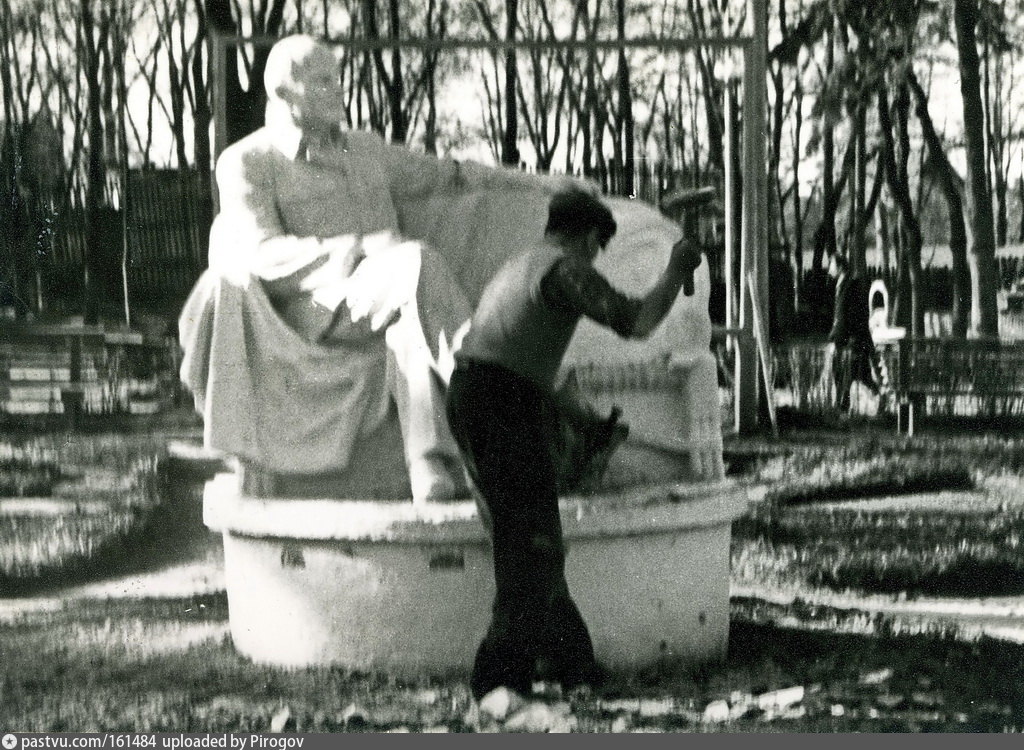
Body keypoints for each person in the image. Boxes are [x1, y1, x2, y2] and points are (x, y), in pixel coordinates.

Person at [185, 34, 585, 503]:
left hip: (390, 294)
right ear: (284, 93)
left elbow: (451, 174)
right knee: (413, 262)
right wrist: (360, 249)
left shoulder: (364, 150)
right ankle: (521, 402)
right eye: (323, 81)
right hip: (315, 308)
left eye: (337, 77)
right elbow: (263, 254)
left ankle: (427, 464)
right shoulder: (248, 162)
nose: (339, 89)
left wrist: (543, 184)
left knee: (409, 322)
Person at [446, 188, 704, 702]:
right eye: (598, 249)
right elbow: (636, 322)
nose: (595, 259)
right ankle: (498, 678)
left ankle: (573, 665)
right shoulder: (565, 269)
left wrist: (563, 409)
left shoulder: (522, 264)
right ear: (589, 238)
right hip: (500, 405)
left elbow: (517, 346)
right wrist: (676, 270)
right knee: (532, 546)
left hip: (473, 394)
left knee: (527, 541)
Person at [827, 252, 881, 410]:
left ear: (840, 267)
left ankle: (844, 406)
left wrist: (838, 338)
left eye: (832, 265)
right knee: (850, 374)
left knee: (849, 374)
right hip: (846, 339)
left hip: (851, 340)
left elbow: (848, 316)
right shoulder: (841, 285)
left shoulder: (851, 286)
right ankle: (845, 405)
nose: (829, 269)